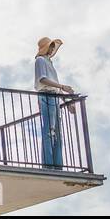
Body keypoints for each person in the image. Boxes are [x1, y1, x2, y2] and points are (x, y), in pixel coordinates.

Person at [35, 37, 73, 168]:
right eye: (50, 46)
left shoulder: (49, 62)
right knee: (49, 131)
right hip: (46, 95)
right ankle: (48, 164)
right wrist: (62, 87)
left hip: (54, 96)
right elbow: (43, 79)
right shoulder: (40, 60)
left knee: (57, 132)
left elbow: (55, 86)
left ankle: (57, 164)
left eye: (52, 47)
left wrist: (66, 102)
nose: (52, 49)